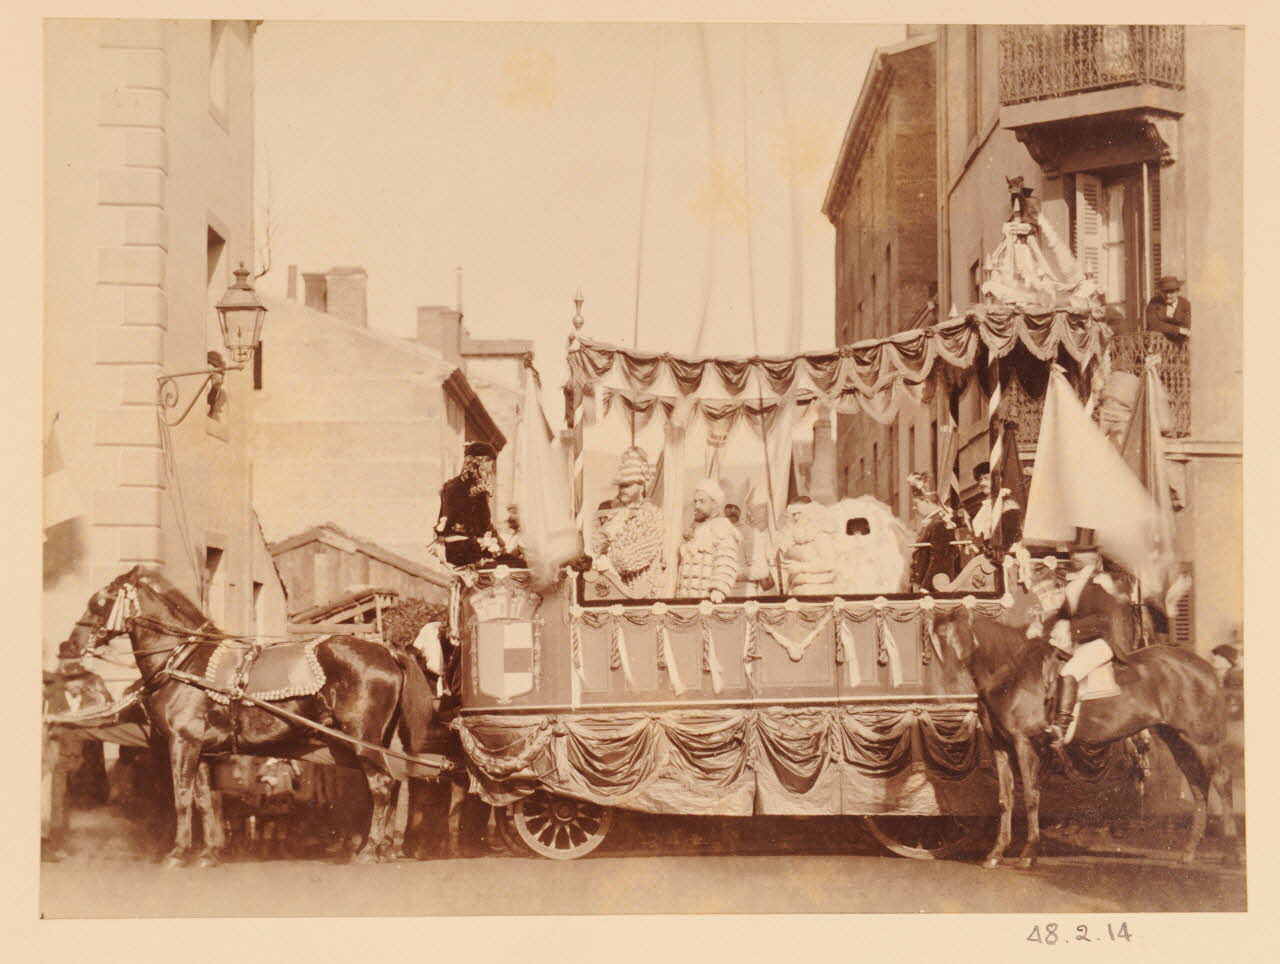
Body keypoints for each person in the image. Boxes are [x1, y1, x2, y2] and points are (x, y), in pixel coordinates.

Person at [1041, 539, 1137, 748]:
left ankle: (1061, 726)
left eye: (1081, 553)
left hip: (1102, 642)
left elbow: (1104, 619)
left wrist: (1072, 627)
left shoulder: (1100, 583)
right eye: (1075, 553)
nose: (1075, 557)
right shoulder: (1075, 584)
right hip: (1080, 641)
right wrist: (1045, 627)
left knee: (1069, 672)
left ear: (1093, 557)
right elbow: (1065, 613)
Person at [591, 447, 666, 597]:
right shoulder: (616, 515)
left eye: (627, 485)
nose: (622, 490)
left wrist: (608, 562)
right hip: (614, 588)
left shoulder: (651, 514)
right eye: (620, 486)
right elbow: (596, 546)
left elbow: (639, 554)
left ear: (641, 486)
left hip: (641, 591)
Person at [434, 441, 502, 567]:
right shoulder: (478, 488)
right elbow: (484, 524)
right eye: (490, 464)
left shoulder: (450, 486)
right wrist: (499, 545)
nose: (491, 470)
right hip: (467, 551)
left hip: (447, 548)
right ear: (483, 461)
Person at [676, 479, 740, 602]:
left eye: (702, 501)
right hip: (685, 600)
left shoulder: (722, 527)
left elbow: (726, 561)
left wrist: (719, 590)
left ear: (715, 503)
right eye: (695, 501)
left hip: (708, 601)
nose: (697, 506)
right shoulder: (694, 527)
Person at [907, 473, 959, 592]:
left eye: (916, 504)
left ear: (926, 501)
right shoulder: (931, 523)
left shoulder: (940, 523)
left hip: (935, 587)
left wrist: (926, 587)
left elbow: (939, 558)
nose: (914, 508)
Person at [775, 500, 836, 595]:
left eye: (799, 513)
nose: (796, 517)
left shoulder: (820, 535)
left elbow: (829, 564)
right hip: (797, 590)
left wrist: (800, 567)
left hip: (819, 591)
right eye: (793, 514)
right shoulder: (792, 538)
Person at [969, 462, 1022, 558]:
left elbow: (1009, 538)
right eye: (980, 479)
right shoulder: (985, 506)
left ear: (998, 480)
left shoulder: (1007, 504)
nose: (982, 483)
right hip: (989, 557)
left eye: (986, 478)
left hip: (1005, 558)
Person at [727, 503, 774, 597]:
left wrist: (733, 573)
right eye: (749, 513)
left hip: (746, 591)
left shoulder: (751, 533)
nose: (751, 517)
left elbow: (761, 571)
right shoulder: (719, 533)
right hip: (724, 591)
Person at [1144, 276, 1190, 340]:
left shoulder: (1185, 304)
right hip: (1156, 342)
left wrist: (1164, 327)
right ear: (1160, 292)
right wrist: (1177, 329)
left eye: (1171, 292)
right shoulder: (1154, 303)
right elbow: (1153, 324)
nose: (1167, 296)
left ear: (1178, 292)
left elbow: (1187, 326)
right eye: (1164, 292)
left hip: (1179, 343)